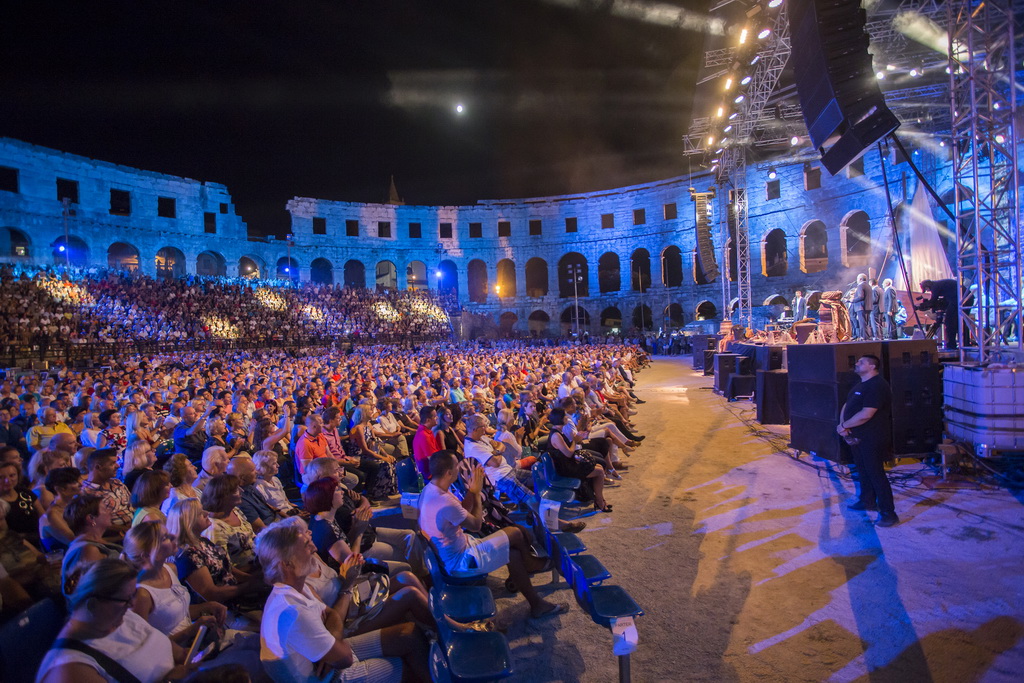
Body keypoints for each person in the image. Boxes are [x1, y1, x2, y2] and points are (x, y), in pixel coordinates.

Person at [255, 521, 430, 682]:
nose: (315, 549)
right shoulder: (292, 611)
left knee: (409, 634)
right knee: (406, 667)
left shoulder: (296, 588)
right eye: (306, 546)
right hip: (326, 677)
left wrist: (330, 651)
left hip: (331, 655)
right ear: (287, 564)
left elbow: (331, 614)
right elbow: (344, 657)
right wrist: (334, 651)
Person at [419, 450, 567, 619]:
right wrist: (475, 492)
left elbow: (460, 510)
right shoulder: (444, 501)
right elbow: (476, 524)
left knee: (514, 553)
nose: (460, 469)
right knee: (516, 533)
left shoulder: (430, 490)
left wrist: (471, 491)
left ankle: (536, 604)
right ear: (449, 473)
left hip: (458, 550)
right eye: (456, 466)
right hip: (461, 562)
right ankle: (531, 563)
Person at [37, 558, 194, 683]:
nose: (132, 604)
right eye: (126, 599)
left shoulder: (122, 616)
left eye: (133, 595)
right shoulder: (70, 669)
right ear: (93, 605)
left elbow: (177, 652)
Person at [167, 498, 263, 609]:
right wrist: (249, 586)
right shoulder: (188, 556)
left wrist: (252, 579)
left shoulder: (202, 540)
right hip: (222, 609)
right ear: (188, 522)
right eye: (200, 513)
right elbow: (211, 594)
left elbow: (227, 569)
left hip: (236, 593)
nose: (207, 513)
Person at [837, 354, 898, 527]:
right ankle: (867, 500)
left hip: (872, 437)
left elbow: (867, 414)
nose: (857, 364)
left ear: (872, 367)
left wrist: (845, 425)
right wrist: (843, 426)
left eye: (861, 362)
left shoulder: (877, 386)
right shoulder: (861, 385)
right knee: (863, 470)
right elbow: (847, 406)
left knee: (875, 473)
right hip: (856, 437)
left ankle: (888, 512)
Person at [201, 474, 258, 569]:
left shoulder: (235, 511)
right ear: (223, 496)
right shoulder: (215, 527)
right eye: (236, 490)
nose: (242, 491)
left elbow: (253, 538)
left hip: (258, 562)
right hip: (246, 573)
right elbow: (225, 567)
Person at [80, 448, 132, 534]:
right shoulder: (86, 493)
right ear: (98, 467)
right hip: (116, 537)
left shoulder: (117, 483)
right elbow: (95, 524)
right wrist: (127, 530)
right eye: (112, 463)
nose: (118, 466)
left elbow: (133, 504)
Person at [40, 466, 83, 552]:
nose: (81, 484)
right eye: (75, 482)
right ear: (60, 489)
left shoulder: (73, 505)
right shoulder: (52, 514)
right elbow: (75, 541)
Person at [919, 278, 959, 349]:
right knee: (960, 323)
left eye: (927, 289)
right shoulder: (940, 284)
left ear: (927, 286)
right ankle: (964, 343)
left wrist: (921, 305)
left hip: (957, 300)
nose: (928, 291)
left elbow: (933, 301)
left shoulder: (935, 287)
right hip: (962, 298)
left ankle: (951, 345)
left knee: (949, 322)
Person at [411, 405, 441, 480]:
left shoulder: (427, 431)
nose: (437, 418)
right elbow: (432, 459)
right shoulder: (424, 435)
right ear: (428, 420)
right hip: (429, 474)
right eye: (435, 417)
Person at [850, 274, 872, 340]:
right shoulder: (869, 286)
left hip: (861, 307)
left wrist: (853, 300)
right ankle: (867, 337)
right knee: (866, 323)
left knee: (862, 324)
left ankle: (864, 337)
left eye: (857, 279)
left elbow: (861, 296)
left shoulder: (860, 286)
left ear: (860, 279)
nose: (856, 281)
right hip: (868, 307)